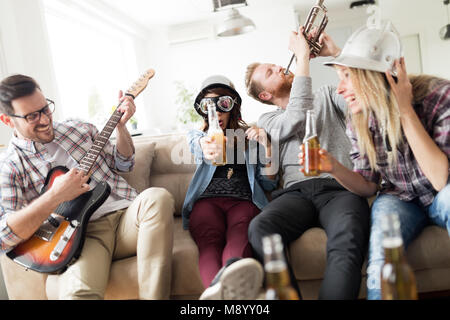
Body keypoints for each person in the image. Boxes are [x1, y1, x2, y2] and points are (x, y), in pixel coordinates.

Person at [308, 21, 450, 299]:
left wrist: (404, 110)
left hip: (443, 191)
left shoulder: (439, 96)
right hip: (399, 197)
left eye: (347, 76)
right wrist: (333, 167)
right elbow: (369, 186)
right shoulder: (358, 118)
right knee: (381, 261)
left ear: (377, 76)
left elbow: (439, 179)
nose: (339, 89)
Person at [0, 74, 175, 300]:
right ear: (7, 120)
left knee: (157, 197)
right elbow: (4, 236)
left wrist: (121, 128)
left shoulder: (80, 128)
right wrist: (55, 195)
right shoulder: (10, 166)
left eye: (46, 109)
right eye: (32, 116)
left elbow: (124, 162)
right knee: (78, 295)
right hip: (82, 235)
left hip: (128, 218)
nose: (44, 120)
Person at [244, 27, 371, 299]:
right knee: (259, 227)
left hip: (338, 188)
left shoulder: (327, 94)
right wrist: (302, 57)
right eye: (269, 73)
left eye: (274, 65)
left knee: (348, 237)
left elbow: (363, 100)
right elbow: (296, 117)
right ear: (265, 96)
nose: (278, 67)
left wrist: (338, 54)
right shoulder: (268, 121)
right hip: (295, 194)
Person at [181, 75, 278, 299]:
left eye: (223, 104)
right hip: (207, 202)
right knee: (208, 245)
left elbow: (268, 183)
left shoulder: (251, 136)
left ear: (233, 105)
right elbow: (200, 148)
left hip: (243, 202)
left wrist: (268, 146)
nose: (216, 112)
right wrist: (209, 142)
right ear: (202, 109)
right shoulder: (199, 136)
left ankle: (226, 289)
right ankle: (218, 294)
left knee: (239, 238)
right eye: (208, 106)